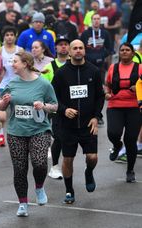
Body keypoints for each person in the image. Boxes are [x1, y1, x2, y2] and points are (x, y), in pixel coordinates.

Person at [0, 51, 58, 217]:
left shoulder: (43, 84)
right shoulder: (12, 83)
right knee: (19, 169)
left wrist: (43, 106)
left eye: (15, 61)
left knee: (39, 163)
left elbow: (55, 105)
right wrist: (4, 102)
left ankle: (39, 187)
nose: (12, 64)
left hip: (39, 130)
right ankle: (23, 203)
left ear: (25, 63)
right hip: (16, 132)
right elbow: (0, 106)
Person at [52, 39, 104, 204]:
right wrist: (63, 109)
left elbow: (100, 96)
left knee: (93, 157)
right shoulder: (61, 73)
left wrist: (96, 116)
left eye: (81, 48)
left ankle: (89, 172)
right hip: (68, 126)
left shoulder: (94, 71)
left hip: (88, 124)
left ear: (85, 50)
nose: (78, 50)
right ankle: (69, 190)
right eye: (75, 48)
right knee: (68, 159)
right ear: (69, 51)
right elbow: (53, 98)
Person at [104, 43, 142, 183]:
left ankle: (130, 170)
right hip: (115, 105)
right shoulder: (113, 68)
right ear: (119, 53)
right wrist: (107, 93)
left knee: (131, 140)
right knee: (113, 133)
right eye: (122, 50)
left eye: (127, 50)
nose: (124, 52)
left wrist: (137, 89)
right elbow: (107, 85)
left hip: (134, 107)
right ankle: (117, 145)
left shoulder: (139, 68)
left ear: (133, 53)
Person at [42, 35, 70, 179]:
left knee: (68, 138)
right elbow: (42, 88)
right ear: (56, 48)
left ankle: (67, 163)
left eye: (66, 44)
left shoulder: (74, 64)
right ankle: (54, 166)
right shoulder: (49, 67)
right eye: (60, 44)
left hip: (72, 108)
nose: (63, 46)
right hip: (55, 108)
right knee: (58, 137)